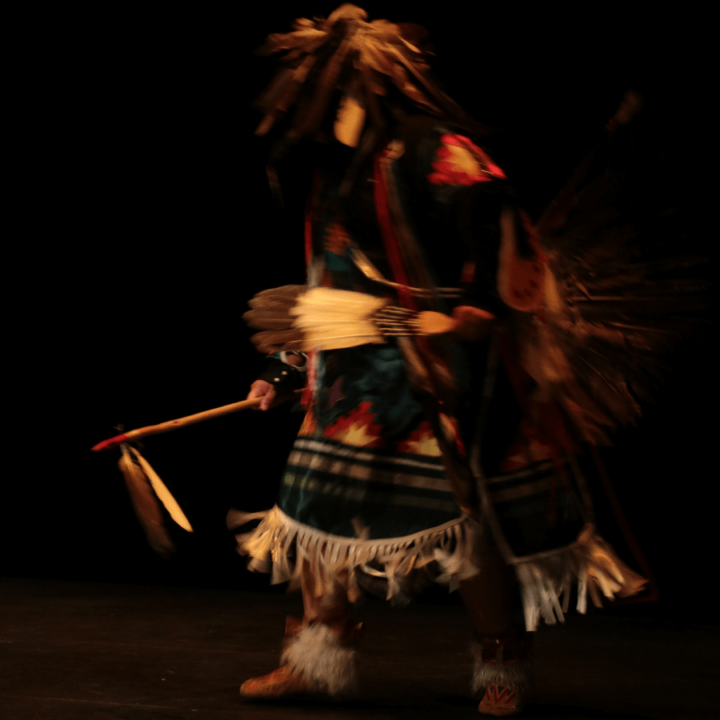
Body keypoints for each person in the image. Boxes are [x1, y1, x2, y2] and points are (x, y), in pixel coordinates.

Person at [227, 6, 654, 716]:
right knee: (312, 516)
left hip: (436, 369)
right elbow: (329, 283)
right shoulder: (336, 172)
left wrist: (480, 306)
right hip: (352, 372)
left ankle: (502, 668)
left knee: (462, 521)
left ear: (370, 84)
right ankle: (315, 659)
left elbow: (497, 220)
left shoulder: (434, 149)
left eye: (330, 86)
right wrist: (286, 368)